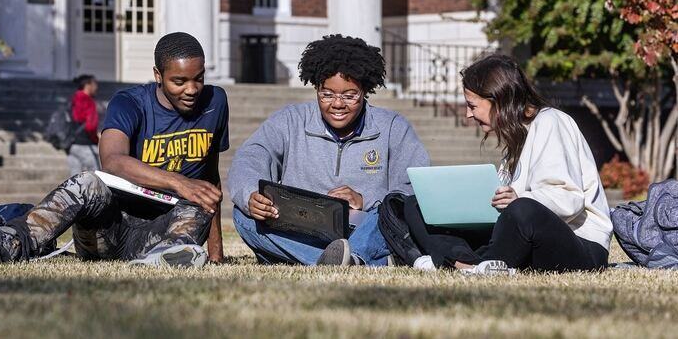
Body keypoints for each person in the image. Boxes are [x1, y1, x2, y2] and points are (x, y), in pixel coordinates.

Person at [0, 32, 229, 267]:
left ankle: (166, 256)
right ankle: (9, 242)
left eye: (199, 78)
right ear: (158, 75)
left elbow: (209, 179)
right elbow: (111, 160)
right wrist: (178, 182)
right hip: (109, 229)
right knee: (88, 181)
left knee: (198, 202)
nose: (192, 89)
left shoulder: (215, 101)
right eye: (179, 81)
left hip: (164, 232)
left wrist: (216, 252)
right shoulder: (129, 102)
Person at [228, 34, 430, 266]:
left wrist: (366, 200)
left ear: (365, 90)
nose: (337, 104)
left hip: (363, 227)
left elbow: (411, 190)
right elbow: (250, 157)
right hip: (301, 228)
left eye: (349, 95)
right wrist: (251, 195)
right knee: (243, 215)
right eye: (327, 94)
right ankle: (350, 261)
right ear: (316, 88)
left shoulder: (393, 127)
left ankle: (348, 257)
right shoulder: (290, 120)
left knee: (388, 214)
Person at [410, 53, 612, 273]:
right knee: (413, 205)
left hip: (580, 245)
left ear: (498, 100)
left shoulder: (550, 122)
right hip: (521, 238)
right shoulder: (515, 139)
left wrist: (518, 199)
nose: (468, 114)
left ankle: (465, 263)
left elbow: (569, 199)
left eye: (473, 105)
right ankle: (463, 262)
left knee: (523, 210)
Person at [68, 74, 100, 175]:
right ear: (88, 85)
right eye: (94, 84)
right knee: (97, 178)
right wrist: (96, 139)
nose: (96, 87)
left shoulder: (73, 99)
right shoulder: (88, 101)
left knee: (74, 182)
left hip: (72, 145)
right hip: (86, 145)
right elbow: (91, 126)